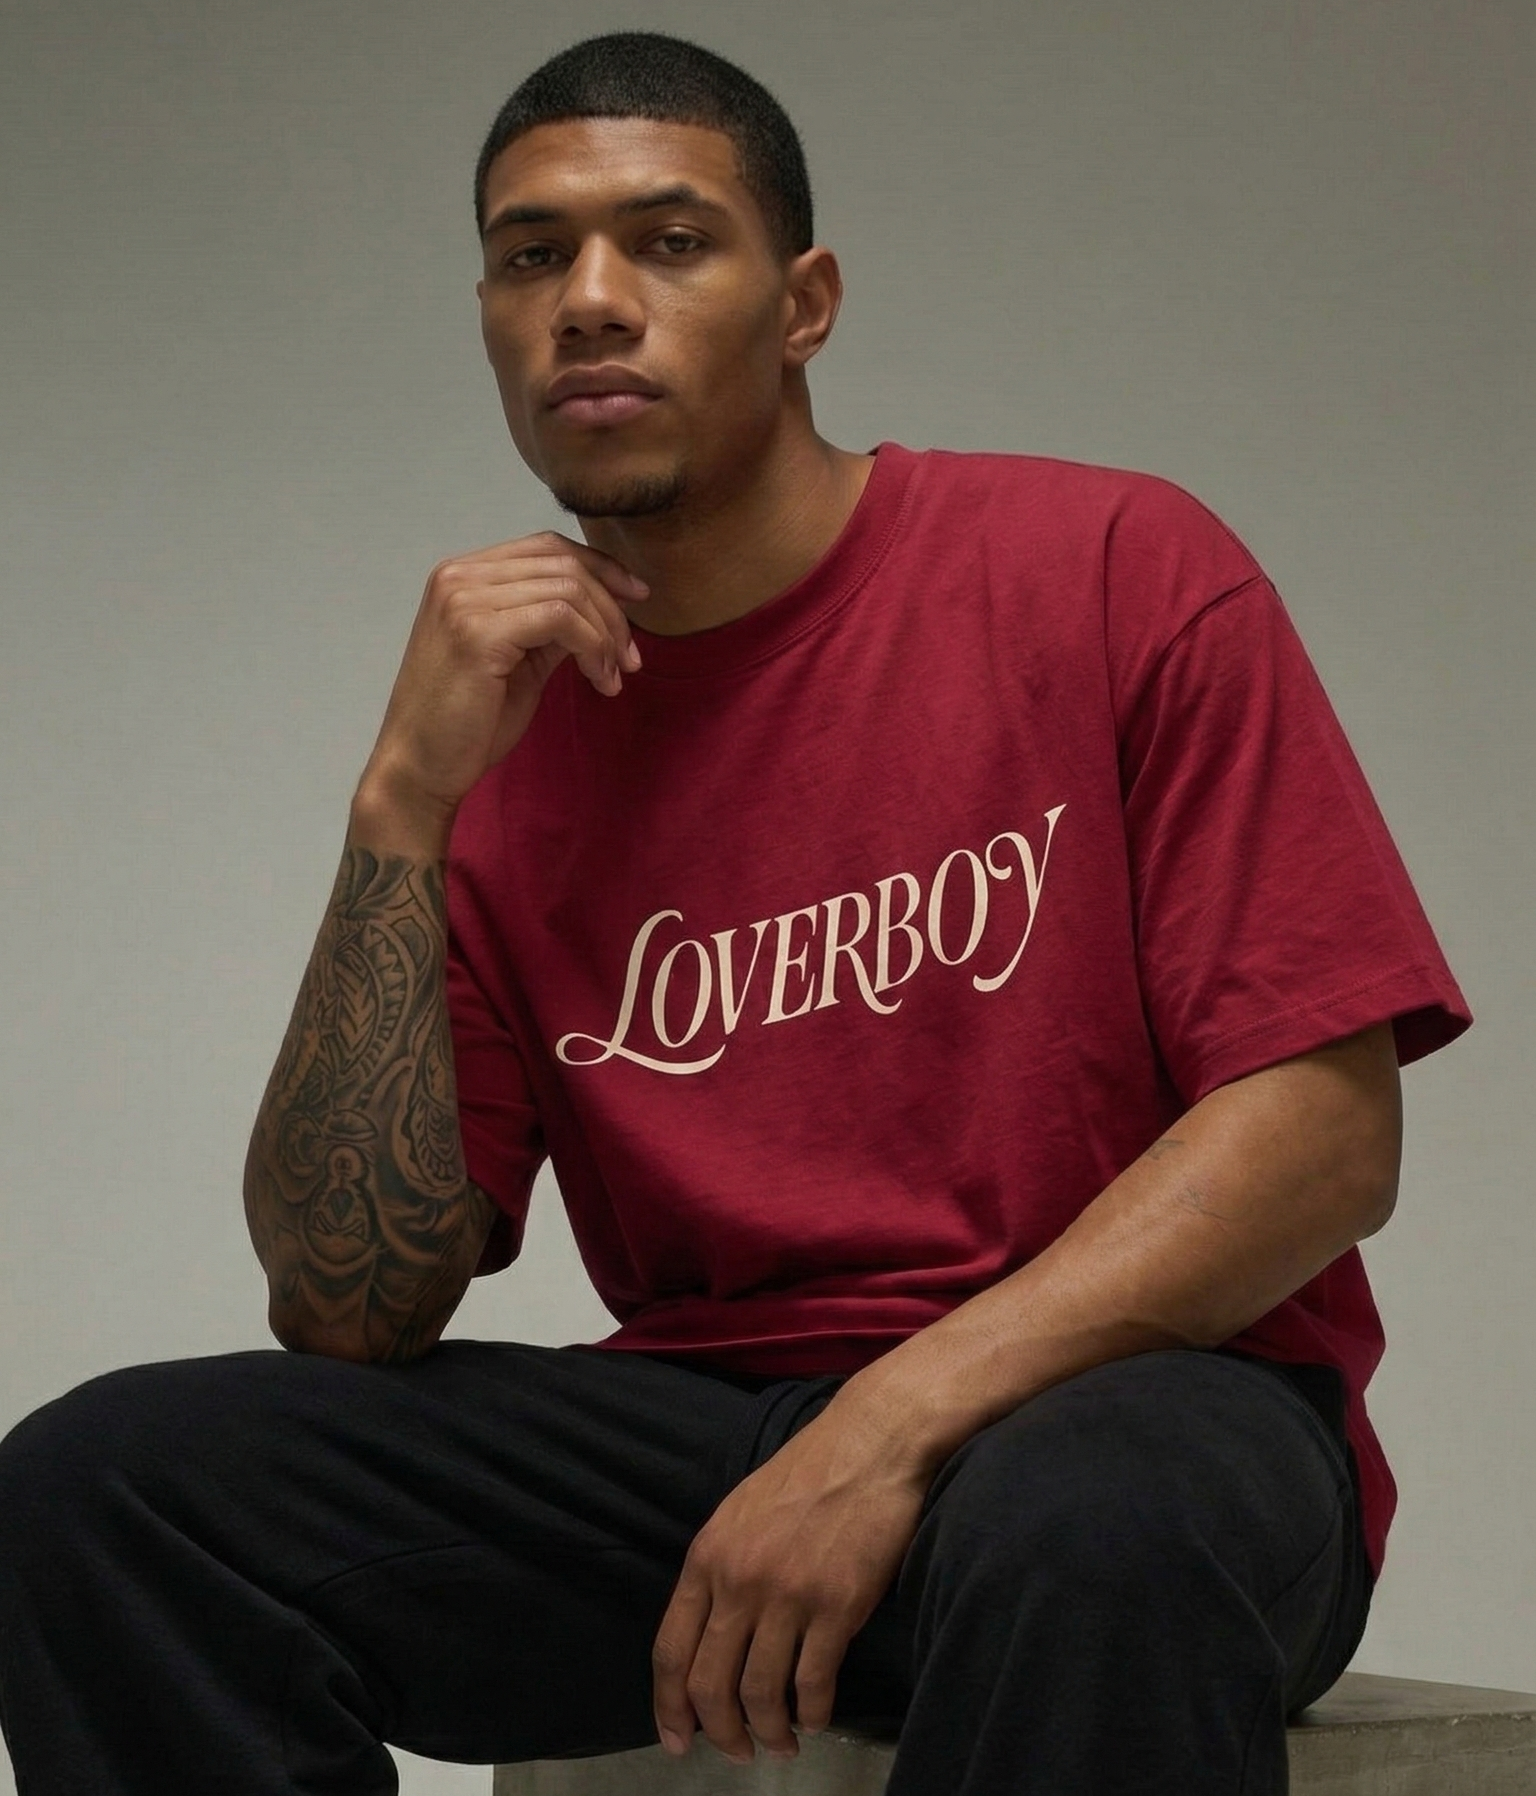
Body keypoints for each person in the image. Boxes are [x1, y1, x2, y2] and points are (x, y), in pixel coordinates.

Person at [0, 29, 1471, 1796]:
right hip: (705, 1449)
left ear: (805, 301)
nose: (592, 300)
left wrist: (889, 1430)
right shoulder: (503, 757)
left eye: (672, 239)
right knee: (103, 1488)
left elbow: (1322, 1140)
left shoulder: (1109, 569)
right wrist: (399, 805)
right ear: (486, 310)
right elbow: (349, 1312)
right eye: (533, 253)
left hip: (1147, 1416)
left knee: (1091, 1519)